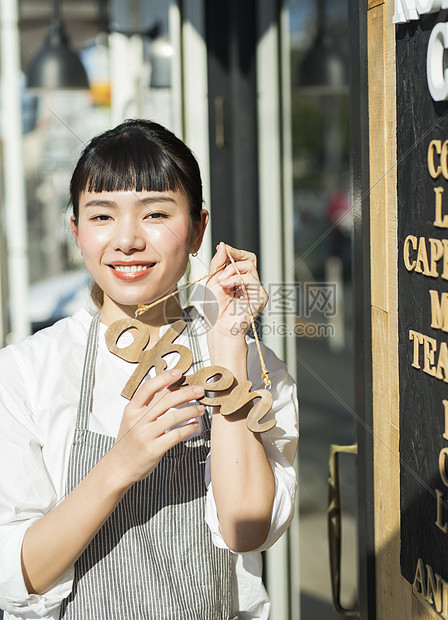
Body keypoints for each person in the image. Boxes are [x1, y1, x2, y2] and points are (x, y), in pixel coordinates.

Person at [0, 119, 298, 619]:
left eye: (156, 212)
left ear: (199, 228)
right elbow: (19, 574)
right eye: (101, 217)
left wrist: (226, 348)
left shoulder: (254, 367)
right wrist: (121, 464)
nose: (127, 240)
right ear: (75, 231)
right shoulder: (27, 372)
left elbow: (246, 528)